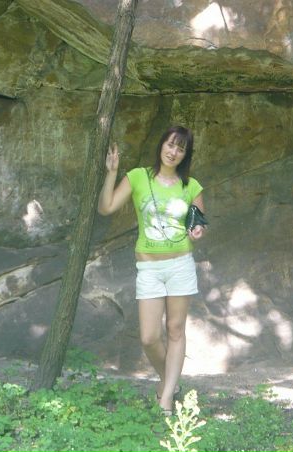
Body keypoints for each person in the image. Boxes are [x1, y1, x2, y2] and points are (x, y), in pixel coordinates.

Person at [98, 125, 206, 415]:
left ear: (185, 155)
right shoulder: (138, 177)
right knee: (149, 337)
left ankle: (166, 397)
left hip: (180, 265)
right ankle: (170, 381)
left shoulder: (191, 186)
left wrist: (197, 231)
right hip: (148, 267)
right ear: (161, 145)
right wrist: (111, 172)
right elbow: (106, 207)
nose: (173, 152)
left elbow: (197, 223)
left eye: (180, 149)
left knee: (175, 330)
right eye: (170, 145)